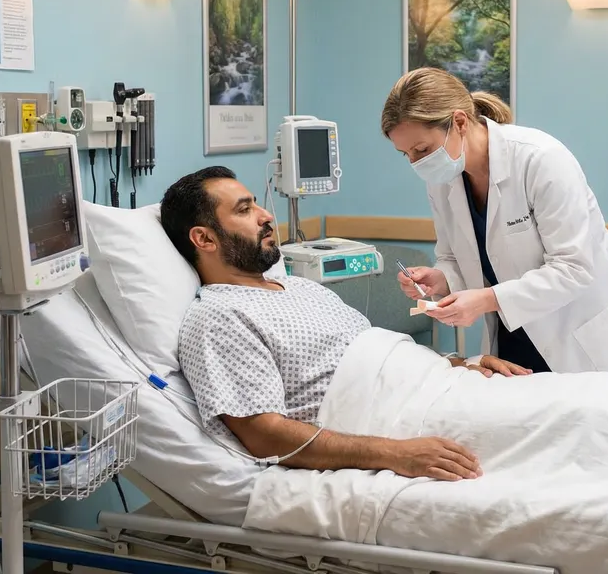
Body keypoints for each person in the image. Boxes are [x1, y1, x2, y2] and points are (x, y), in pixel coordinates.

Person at [160, 167, 530, 483]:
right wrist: (395, 454)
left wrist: (461, 363)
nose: (266, 216)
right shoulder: (219, 316)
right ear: (203, 238)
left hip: (442, 387)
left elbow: (372, 357)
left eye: (257, 203)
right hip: (402, 420)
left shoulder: (298, 286)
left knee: (563, 406)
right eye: (245, 210)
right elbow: (264, 435)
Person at [380, 67, 608, 393]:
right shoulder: (444, 180)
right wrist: (442, 279)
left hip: (585, 338)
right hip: (514, 338)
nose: (416, 163)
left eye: (421, 149)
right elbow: (452, 255)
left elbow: (573, 269)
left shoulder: (541, 160)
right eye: (405, 154)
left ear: (460, 122)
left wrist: (485, 300)